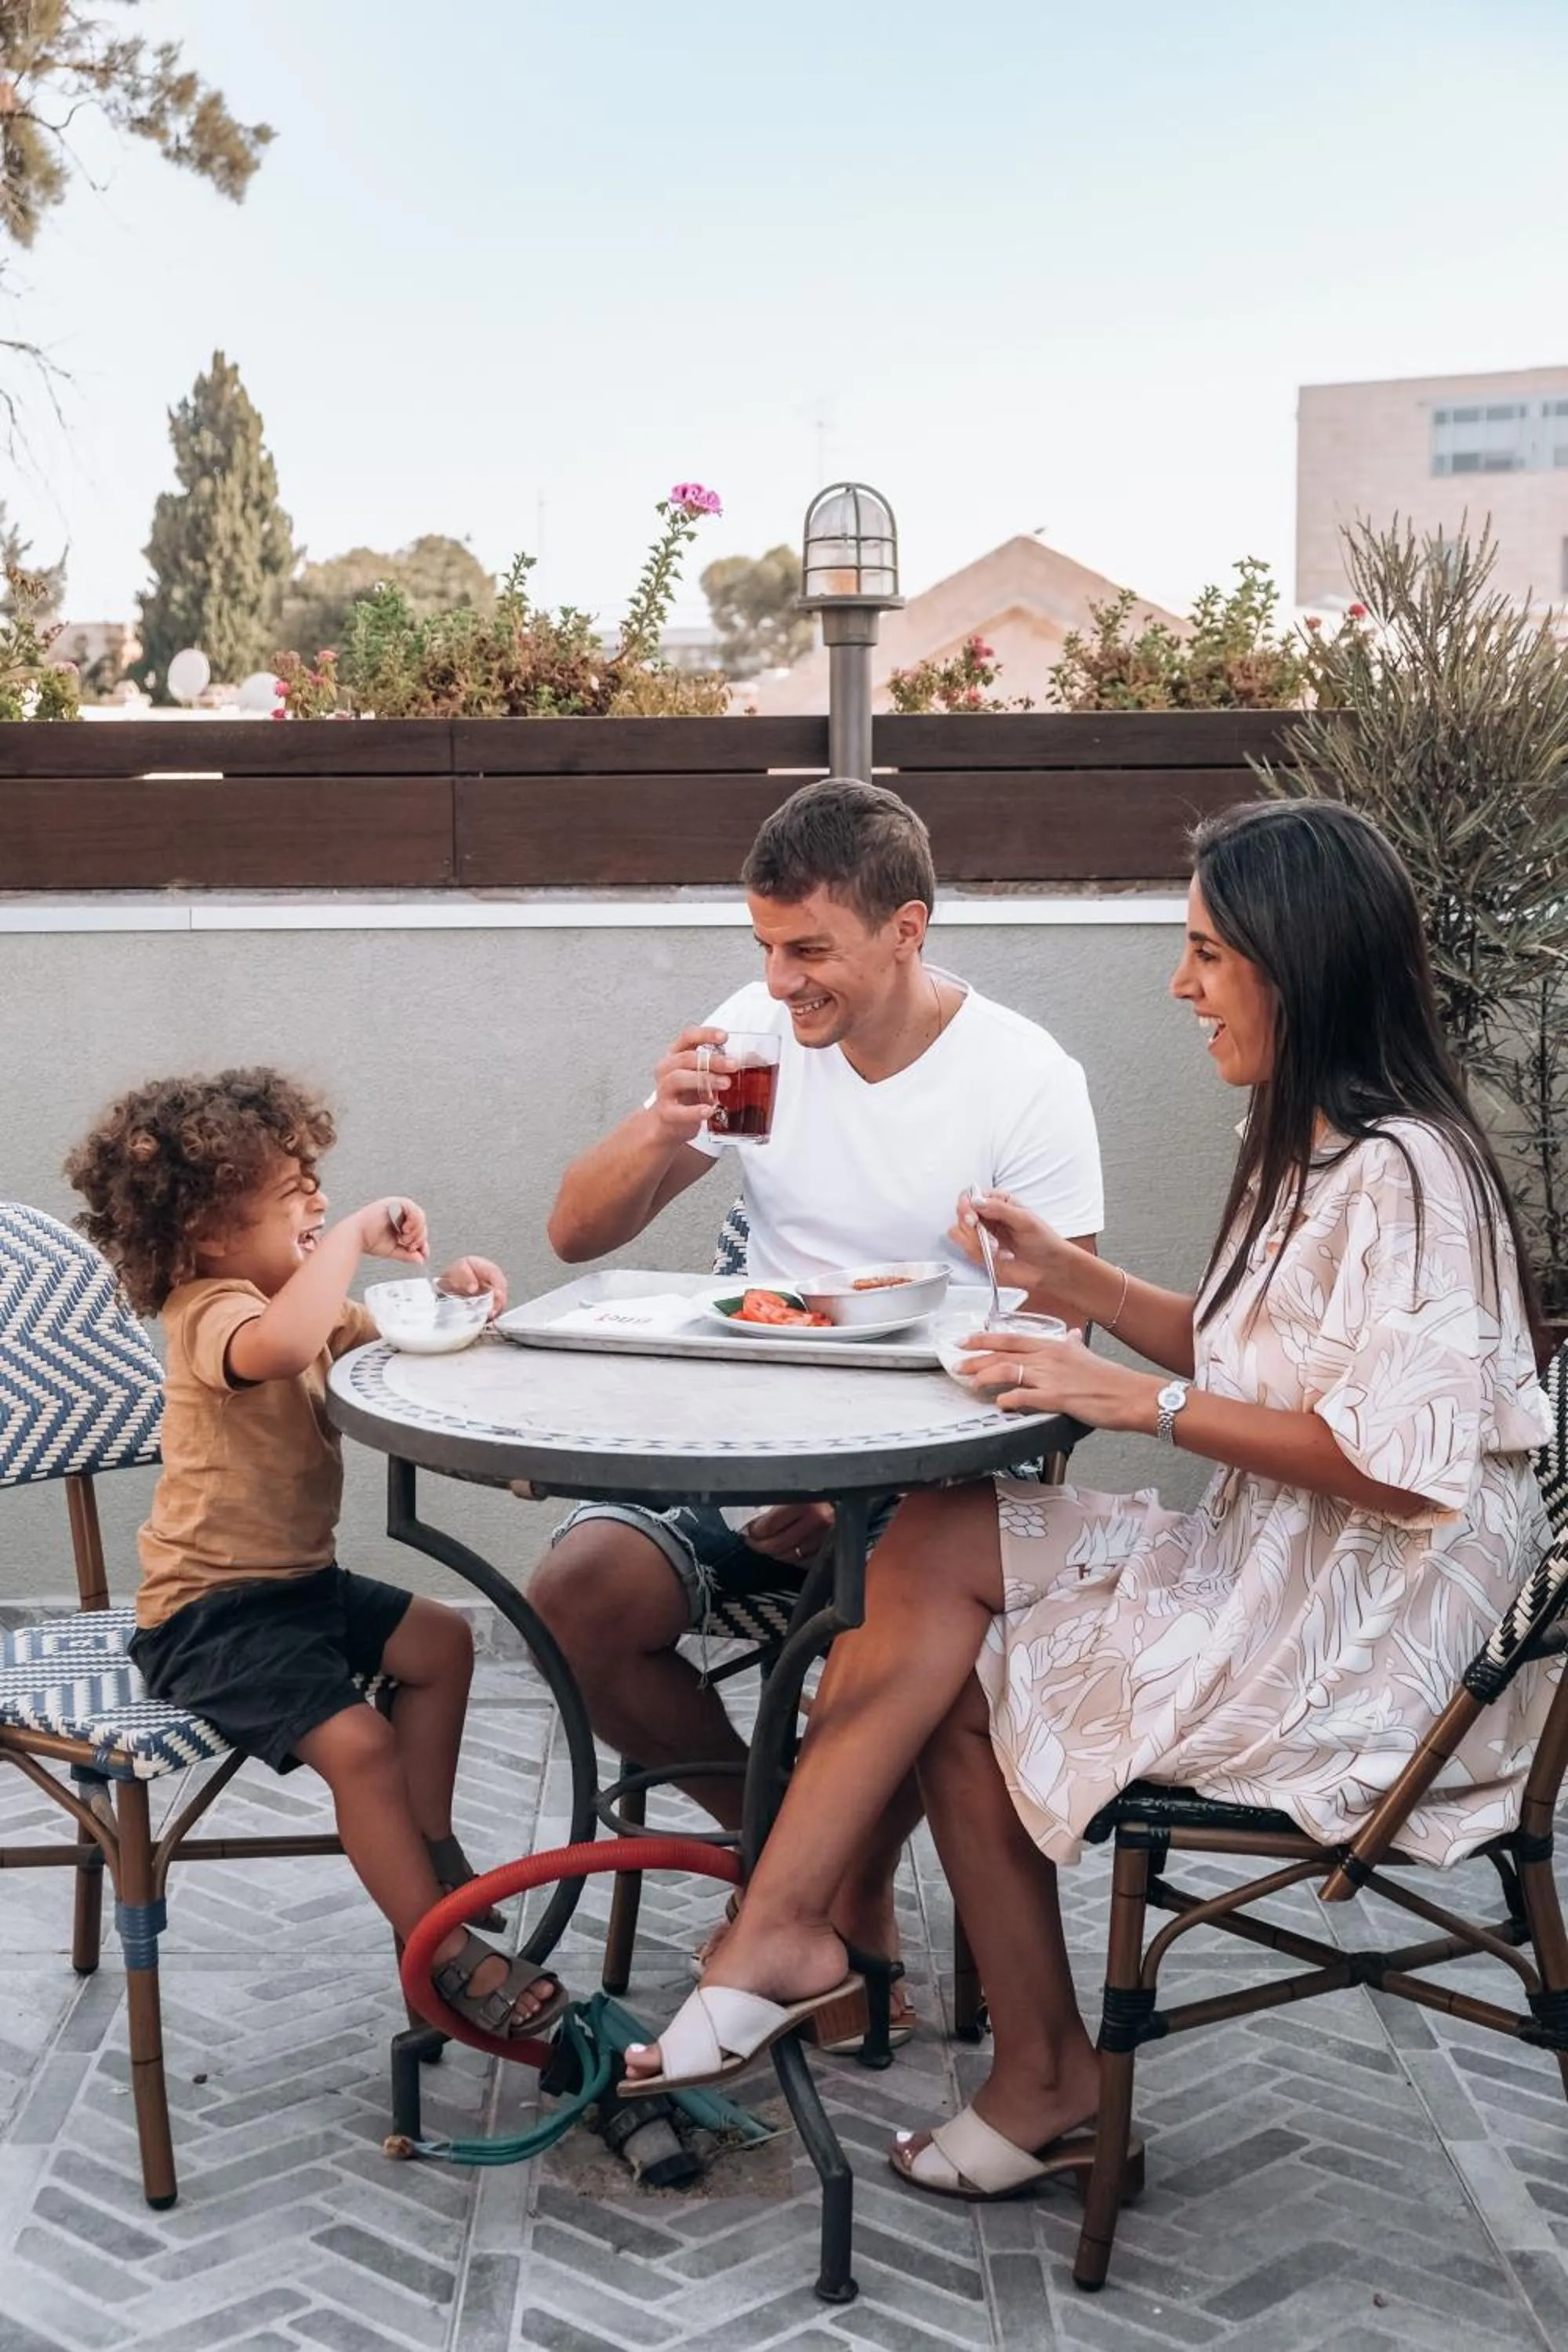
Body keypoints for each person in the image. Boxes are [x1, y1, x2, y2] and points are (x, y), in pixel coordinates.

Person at [620, 798, 1555, 2200]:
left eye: (1206, 955)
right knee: (935, 1555)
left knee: (964, 1656)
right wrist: (1079, 1286)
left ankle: (887, 1987)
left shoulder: (1406, 1173)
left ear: (1296, 964)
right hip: (1285, 1565)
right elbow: (1268, 1345)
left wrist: (1143, 1401)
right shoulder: (1315, 1140)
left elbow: (1401, 1463)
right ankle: (814, 1945)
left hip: (1363, 1635)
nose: (1182, 985)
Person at [532, 776, 1104, 2003]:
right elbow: (576, 1234)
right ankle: (787, 1872)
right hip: (756, 1446)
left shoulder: (1020, 1078)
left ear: (908, 929)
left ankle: (818, 1907)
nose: (784, 981)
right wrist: (655, 1129)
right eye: (766, 948)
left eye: (810, 951)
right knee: (574, 1601)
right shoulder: (755, 1037)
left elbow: (1063, 1321)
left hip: (934, 1471)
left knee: (867, 1665)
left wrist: (858, 1491)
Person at [67, 1067, 562, 2042]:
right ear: (209, 1232)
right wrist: (345, 1243)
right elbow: (286, 1348)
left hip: (296, 1589)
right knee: (362, 1748)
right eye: (294, 1193)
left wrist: (461, 1297)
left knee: (440, 1646)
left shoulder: (291, 1296)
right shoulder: (212, 1309)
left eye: (317, 1186)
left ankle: (427, 1859)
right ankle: (441, 1947)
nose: (322, 1202)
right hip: (209, 1620)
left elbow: (393, 1339)